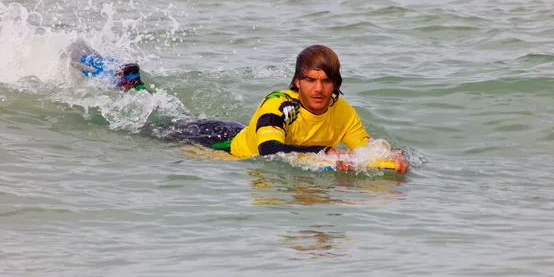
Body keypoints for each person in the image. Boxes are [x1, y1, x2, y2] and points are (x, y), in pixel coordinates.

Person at [66, 40, 408, 173]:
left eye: (326, 81)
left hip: (236, 130)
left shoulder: (342, 111)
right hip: (216, 142)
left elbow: (363, 150)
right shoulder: (280, 104)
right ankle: (118, 78)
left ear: (335, 83)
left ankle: (131, 82)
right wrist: (329, 152)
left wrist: (392, 158)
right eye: (311, 80)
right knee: (145, 126)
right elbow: (270, 149)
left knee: (171, 111)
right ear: (298, 81)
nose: (319, 89)